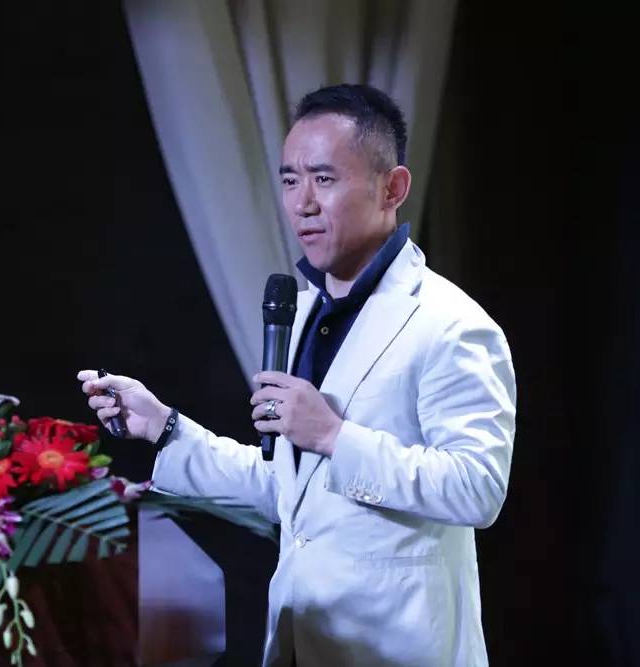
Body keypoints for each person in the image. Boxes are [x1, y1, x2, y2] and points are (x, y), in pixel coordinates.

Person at [78, 84, 516, 667]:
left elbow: (477, 488)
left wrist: (335, 436)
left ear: (393, 188)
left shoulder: (451, 324)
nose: (302, 203)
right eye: (289, 180)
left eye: (324, 178)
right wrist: (165, 427)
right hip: (299, 641)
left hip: (398, 651)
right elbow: (289, 490)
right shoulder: (303, 310)